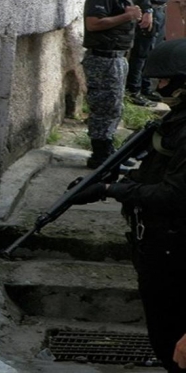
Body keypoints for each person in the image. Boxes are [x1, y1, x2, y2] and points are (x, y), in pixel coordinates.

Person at [70, 38, 186, 372]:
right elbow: (156, 172)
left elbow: (174, 194)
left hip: (175, 249)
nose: (159, 87)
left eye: (165, 80)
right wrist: (112, 181)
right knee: (163, 335)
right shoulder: (177, 120)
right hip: (158, 244)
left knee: (172, 341)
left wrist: (112, 189)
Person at [81, 0, 146, 169]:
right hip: (103, 59)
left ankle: (107, 150)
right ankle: (100, 155)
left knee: (114, 106)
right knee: (104, 106)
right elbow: (93, 24)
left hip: (116, 58)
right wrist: (127, 17)